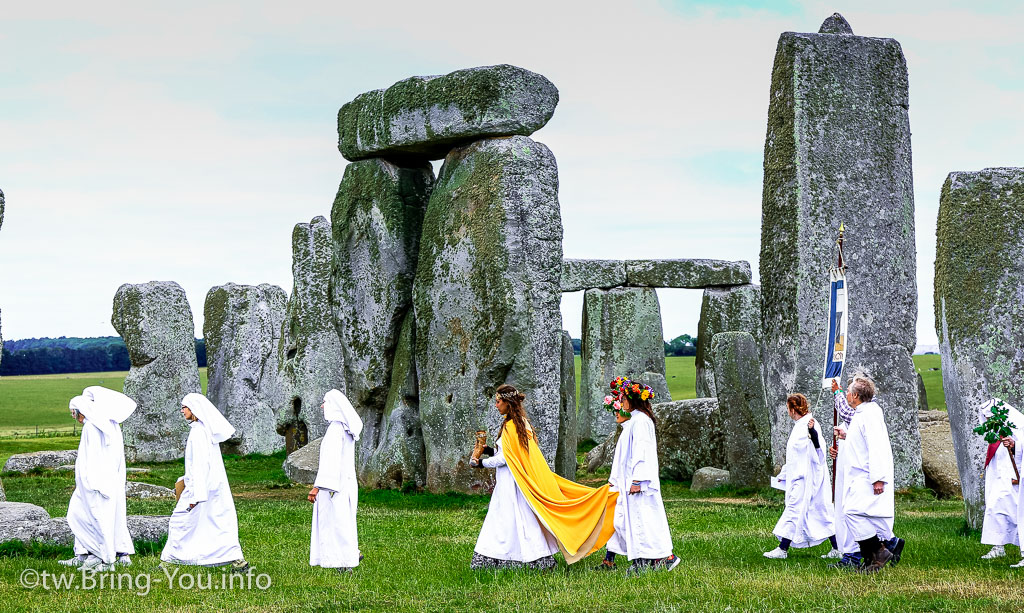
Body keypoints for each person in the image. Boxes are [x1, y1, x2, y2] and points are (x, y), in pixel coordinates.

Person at [470, 384, 618, 570]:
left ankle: (519, 559)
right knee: (516, 518)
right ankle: (531, 558)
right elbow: (512, 453)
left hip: (513, 482)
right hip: (517, 480)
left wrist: (480, 463)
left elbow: (505, 459)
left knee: (508, 518)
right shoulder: (520, 423)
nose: (496, 405)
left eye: (498, 401)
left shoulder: (511, 426)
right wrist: (488, 450)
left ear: (508, 403)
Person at [597, 377, 679, 575]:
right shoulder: (634, 421)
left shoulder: (641, 421)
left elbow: (642, 452)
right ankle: (644, 560)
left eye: (624, 398)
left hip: (637, 484)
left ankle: (657, 559)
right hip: (627, 482)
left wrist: (638, 480)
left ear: (633, 399)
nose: (621, 401)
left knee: (643, 521)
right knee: (626, 521)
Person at [160, 393, 249, 572]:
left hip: (200, 487)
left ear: (194, 410)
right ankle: (236, 559)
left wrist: (196, 494)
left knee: (179, 521)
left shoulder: (199, 432)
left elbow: (200, 464)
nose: (182, 410)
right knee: (218, 522)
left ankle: (168, 562)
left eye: (185, 407)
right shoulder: (202, 430)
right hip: (210, 486)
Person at [828, 377, 904, 569]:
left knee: (852, 512)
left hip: (866, 474)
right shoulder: (863, 413)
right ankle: (878, 552)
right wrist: (845, 435)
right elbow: (861, 438)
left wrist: (878, 478)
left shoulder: (869, 415)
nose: (846, 395)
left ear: (855, 395)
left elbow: (876, 446)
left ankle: (879, 551)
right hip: (860, 474)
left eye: (848, 393)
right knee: (862, 514)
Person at [59, 387, 137, 570]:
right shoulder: (109, 425)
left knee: (85, 516)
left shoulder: (93, 427)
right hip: (106, 481)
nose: (73, 416)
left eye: (73, 412)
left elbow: (93, 457)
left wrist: (90, 482)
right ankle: (94, 554)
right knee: (100, 516)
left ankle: (100, 556)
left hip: (95, 484)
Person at [764, 393, 839, 560]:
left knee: (797, 510)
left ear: (792, 409)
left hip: (806, 478)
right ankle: (837, 547)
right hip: (800, 476)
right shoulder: (800, 426)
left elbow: (818, 454)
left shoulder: (809, 425)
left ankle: (782, 549)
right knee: (817, 511)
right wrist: (784, 474)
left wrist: (814, 435)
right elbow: (795, 457)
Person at [309, 389, 363, 573]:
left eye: (325, 402)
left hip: (335, 485)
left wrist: (317, 488)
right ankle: (349, 556)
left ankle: (343, 560)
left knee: (335, 522)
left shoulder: (335, 430)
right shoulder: (346, 429)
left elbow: (330, 461)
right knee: (344, 521)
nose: (322, 406)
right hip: (346, 483)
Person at [977, 399, 1023, 564]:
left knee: (1015, 511)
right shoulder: (995, 435)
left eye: (991, 417)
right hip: (999, 477)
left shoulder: (1019, 426)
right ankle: (998, 546)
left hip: (1014, 477)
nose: (988, 421)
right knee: (995, 507)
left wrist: (1013, 445)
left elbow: (1020, 447)